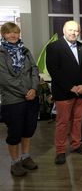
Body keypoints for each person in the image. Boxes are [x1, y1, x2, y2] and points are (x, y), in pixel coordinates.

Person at [46, 20, 82, 165]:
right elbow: (54, 70)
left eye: (76, 30)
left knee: (78, 120)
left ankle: (76, 144)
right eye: (71, 30)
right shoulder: (54, 47)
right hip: (64, 93)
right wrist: (70, 87)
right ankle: (60, 150)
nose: (74, 33)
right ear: (64, 30)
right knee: (62, 123)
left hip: (81, 92)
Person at [0, 22, 40, 176]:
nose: (13, 35)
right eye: (9, 33)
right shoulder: (1, 52)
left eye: (16, 32)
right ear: (3, 34)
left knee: (28, 129)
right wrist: (25, 91)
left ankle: (25, 157)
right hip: (13, 100)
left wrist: (34, 88)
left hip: (30, 98)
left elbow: (34, 70)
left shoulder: (25, 50)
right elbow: (4, 79)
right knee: (15, 132)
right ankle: (15, 162)